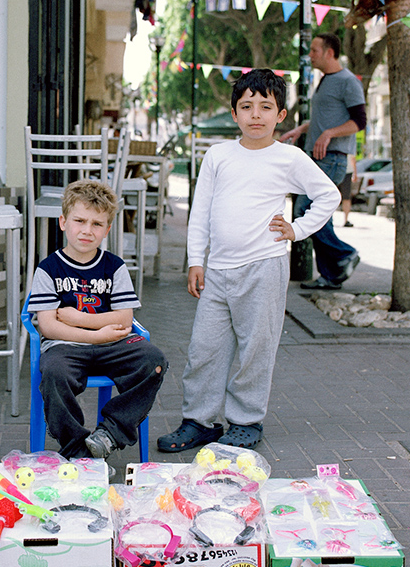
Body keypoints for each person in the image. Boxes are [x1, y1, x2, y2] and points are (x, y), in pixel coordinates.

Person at [157, 69, 340, 453]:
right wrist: (196, 260)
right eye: (247, 106)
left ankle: (245, 420)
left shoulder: (288, 157)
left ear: (281, 114)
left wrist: (297, 228)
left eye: (265, 107)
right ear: (235, 112)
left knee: (256, 346)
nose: (256, 114)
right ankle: (199, 421)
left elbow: (328, 195)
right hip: (218, 270)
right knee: (204, 348)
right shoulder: (219, 155)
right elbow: (201, 210)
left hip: (264, 267)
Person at [27, 179, 166, 464]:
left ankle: (110, 433)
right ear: (63, 222)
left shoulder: (114, 266)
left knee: (153, 359)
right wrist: (97, 334)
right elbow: (49, 326)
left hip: (111, 344)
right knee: (54, 373)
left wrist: (79, 319)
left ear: (107, 229)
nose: (87, 230)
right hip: (64, 347)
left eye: (97, 224)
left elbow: (125, 317)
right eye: (79, 221)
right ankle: (79, 451)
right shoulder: (48, 269)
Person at [279, 33, 366, 290]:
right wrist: (302, 130)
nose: (310, 54)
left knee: (306, 211)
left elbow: (359, 122)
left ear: (330, 52)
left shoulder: (348, 81)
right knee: (320, 216)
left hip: (332, 159)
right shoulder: (325, 80)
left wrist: (329, 134)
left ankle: (344, 254)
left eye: (315, 50)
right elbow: (324, 119)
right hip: (317, 158)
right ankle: (332, 276)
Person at [341, 153, 356, 227]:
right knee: (346, 198)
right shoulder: (351, 143)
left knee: (331, 195)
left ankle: (346, 219)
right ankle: (346, 220)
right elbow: (353, 159)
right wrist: (355, 174)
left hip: (340, 169)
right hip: (347, 171)